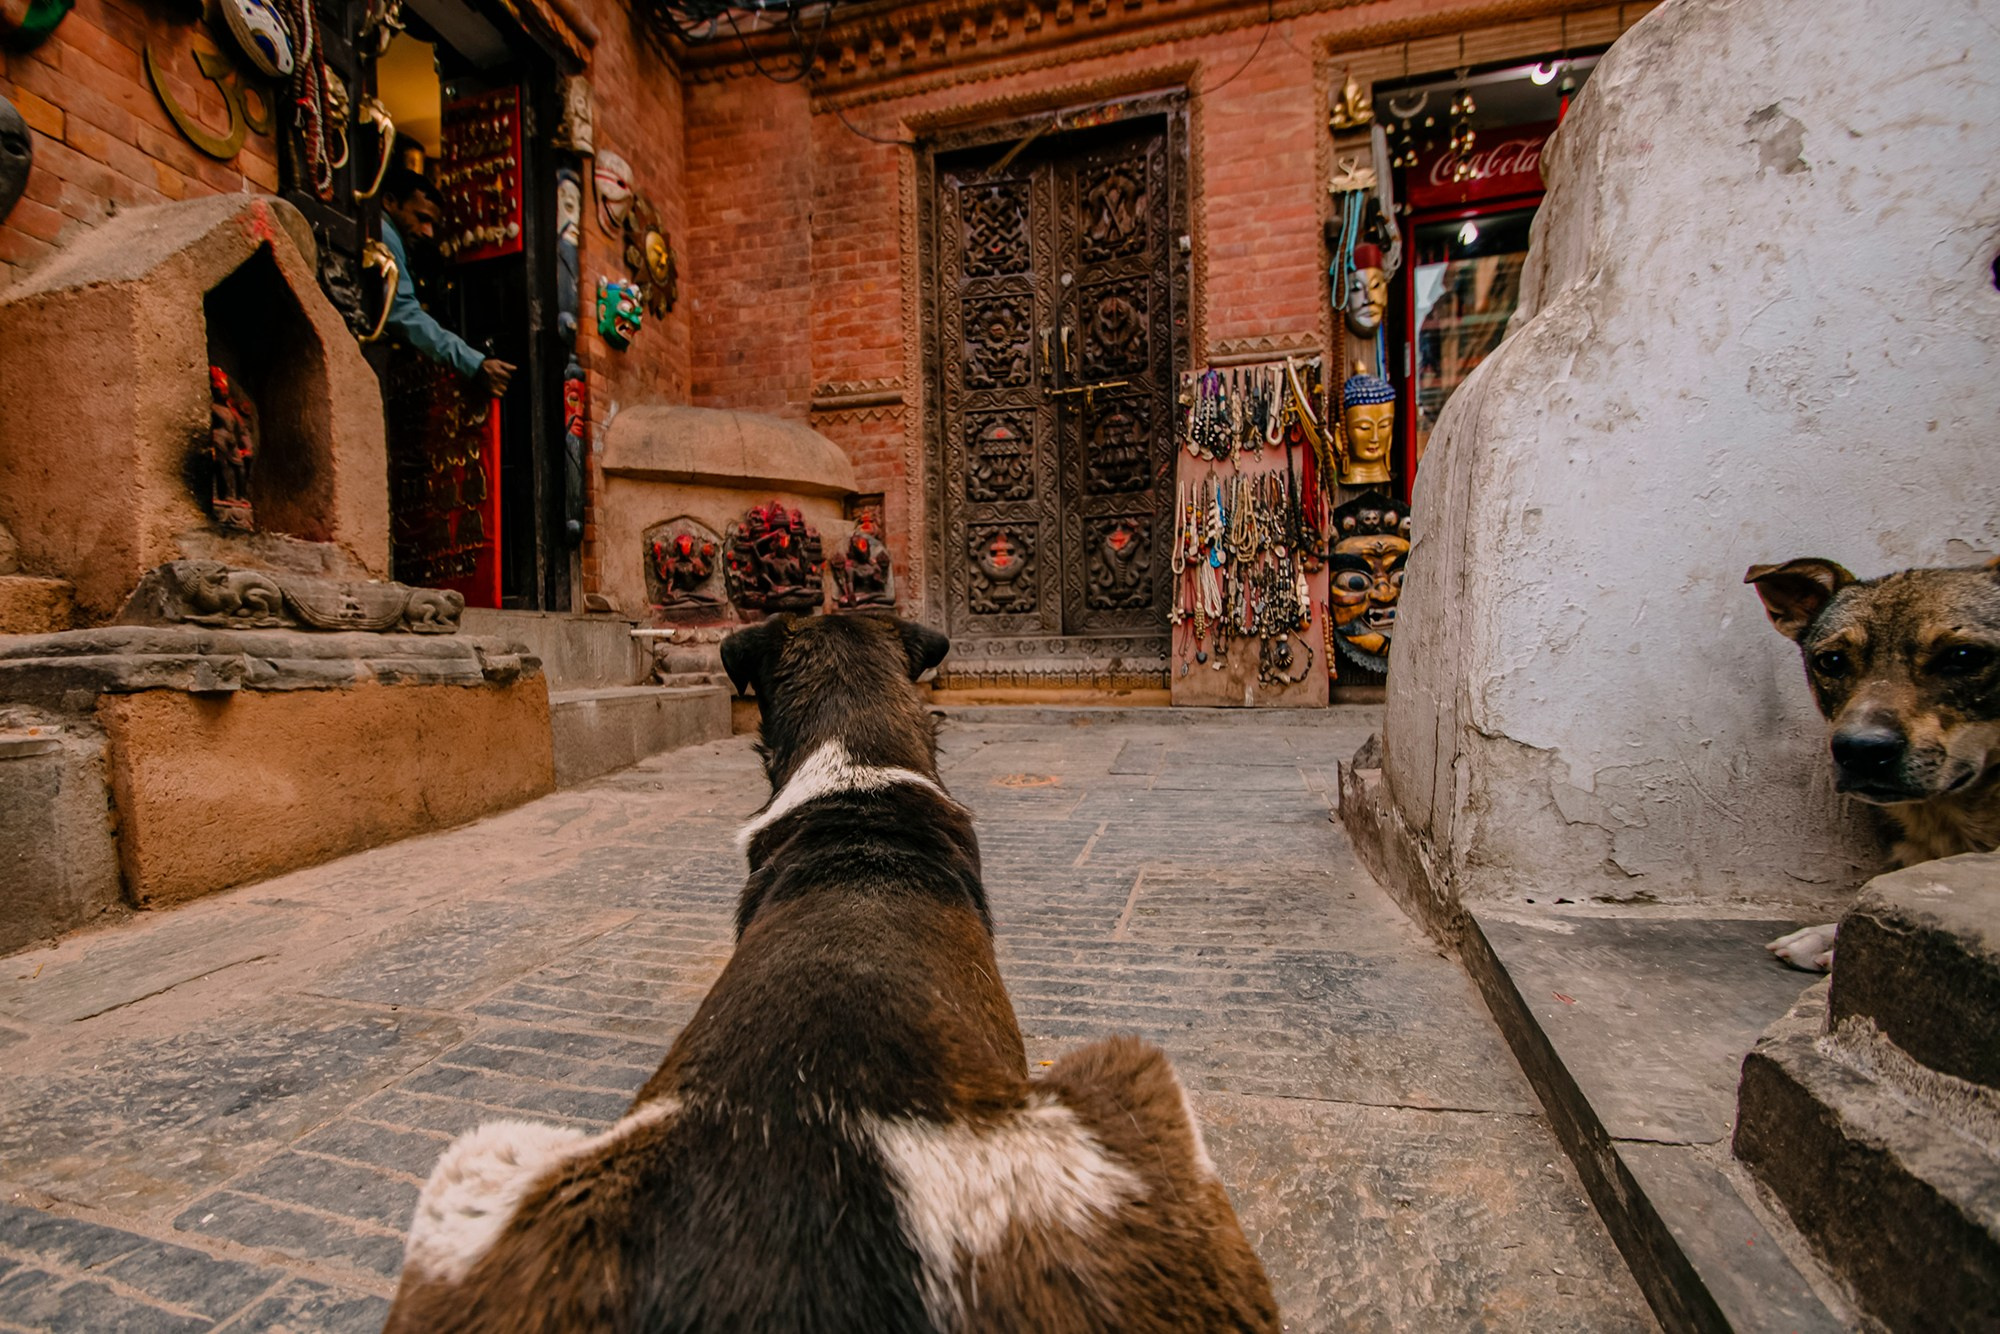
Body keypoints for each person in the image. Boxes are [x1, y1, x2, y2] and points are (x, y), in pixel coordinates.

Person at [378, 166, 515, 399]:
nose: (428, 232)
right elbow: (403, 312)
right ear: (390, 202)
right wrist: (471, 362)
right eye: (422, 218)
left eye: (432, 224)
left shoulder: (392, 237)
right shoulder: (385, 235)